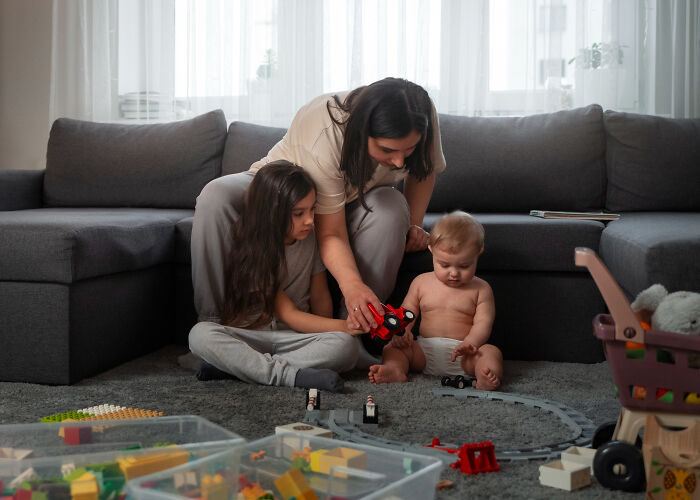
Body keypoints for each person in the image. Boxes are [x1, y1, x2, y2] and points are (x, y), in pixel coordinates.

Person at [191, 78, 446, 360]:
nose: (399, 162)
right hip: (289, 187)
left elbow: (424, 169)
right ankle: (214, 328)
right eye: (388, 150)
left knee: (391, 207)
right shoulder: (323, 130)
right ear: (361, 133)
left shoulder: (421, 112)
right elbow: (331, 233)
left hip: (358, 198)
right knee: (215, 196)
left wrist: (414, 224)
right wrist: (352, 286)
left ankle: (355, 329)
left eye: (407, 151)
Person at [188, 161, 364, 393]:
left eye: (312, 210)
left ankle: (240, 369)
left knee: (346, 347)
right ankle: (287, 374)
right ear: (273, 212)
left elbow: (320, 296)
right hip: (252, 336)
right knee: (199, 334)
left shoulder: (310, 239)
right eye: (299, 213)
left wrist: (333, 333)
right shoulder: (254, 246)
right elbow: (288, 314)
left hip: (294, 339)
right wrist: (345, 326)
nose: (310, 220)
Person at [368, 211, 503, 390]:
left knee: (491, 352)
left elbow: (483, 323)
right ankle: (395, 370)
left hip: (464, 353)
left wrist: (471, 343)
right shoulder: (421, 282)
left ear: (478, 253)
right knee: (392, 348)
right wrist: (404, 333)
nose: (453, 273)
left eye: (464, 266)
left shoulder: (481, 289)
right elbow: (407, 312)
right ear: (432, 250)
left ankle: (484, 376)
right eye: (444, 265)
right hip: (424, 350)